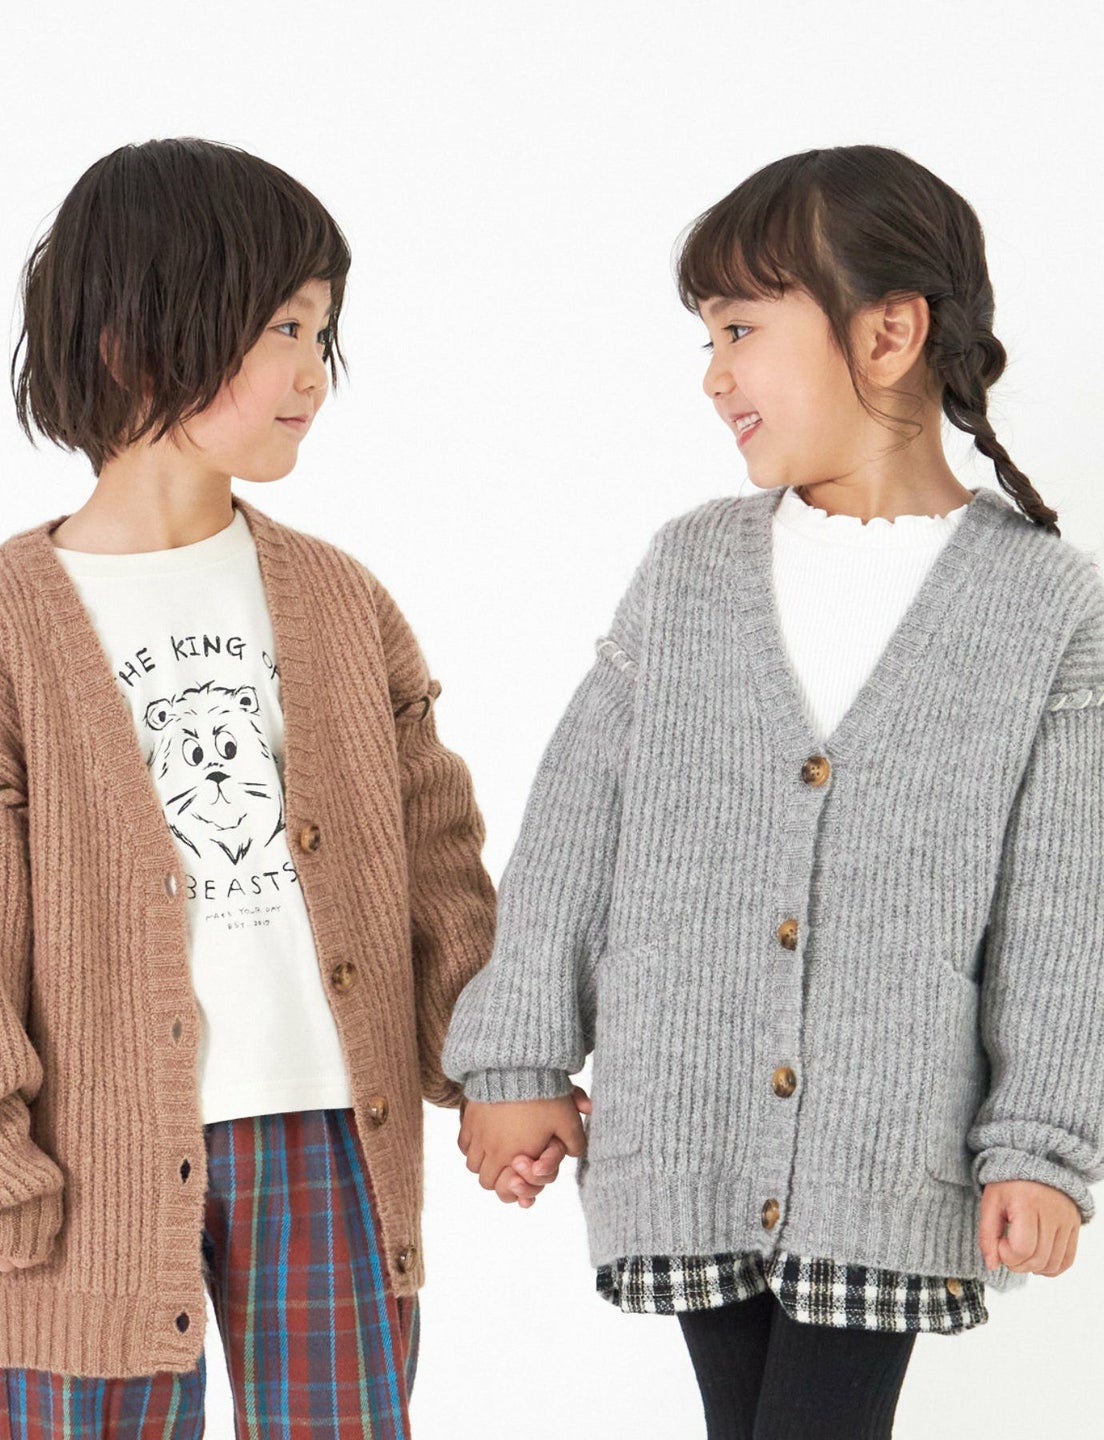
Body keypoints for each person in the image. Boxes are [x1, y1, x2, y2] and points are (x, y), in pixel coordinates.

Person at [442, 143, 1104, 1438]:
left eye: (740, 328)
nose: (714, 374)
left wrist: (1041, 1145)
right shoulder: (690, 570)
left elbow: (1063, 911)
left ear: (889, 334)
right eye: (707, 337)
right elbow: (576, 823)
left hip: (886, 1147)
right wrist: (516, 1057)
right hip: (683, 1123)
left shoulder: (1043, 604)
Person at [0, 136, 496, 1440]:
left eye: (323, 333)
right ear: (134, 341)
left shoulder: (337, 598)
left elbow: (435, 848)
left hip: (331, 1131)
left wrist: (493, 1056)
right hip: (90, 1173)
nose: (314, 371)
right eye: (283, 328)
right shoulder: (1, 623)